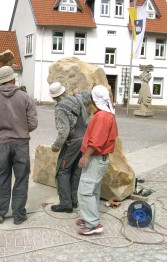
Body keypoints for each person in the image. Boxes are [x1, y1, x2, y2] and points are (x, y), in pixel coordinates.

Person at [0, 65, 38, 225]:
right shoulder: (24, 96)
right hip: (21, 142)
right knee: (21, 178)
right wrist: (22, 128)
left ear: (1, 81)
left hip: (2, 143)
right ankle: (19, 215)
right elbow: (33, 122)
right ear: (13, 79)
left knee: (1, 178)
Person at [76, 85, 118, 235]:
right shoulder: (108, 113)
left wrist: (85, 156)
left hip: (95, 158)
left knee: (85, 191)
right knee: (93, 190)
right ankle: (89, 216)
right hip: (101, 158)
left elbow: (96, 141)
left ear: (95, 99)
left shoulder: (101, 116)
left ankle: (93, 224)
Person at [49, 82, 90, 213]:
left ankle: (66, 204)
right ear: (64, 91)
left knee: (62, 170)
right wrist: (76, 92)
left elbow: (64, 131)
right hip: (85, 139)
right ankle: (74, 200)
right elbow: (87, 95)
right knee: (76, 171)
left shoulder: (60, 108)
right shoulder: (76, 98)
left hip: (73, 142)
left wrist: (56, 146)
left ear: (54, 97)